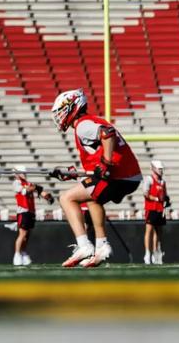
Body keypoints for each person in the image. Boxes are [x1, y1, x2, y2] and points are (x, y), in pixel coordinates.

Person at [49, 89, 142, 268]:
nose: (59, 116)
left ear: (73, 107)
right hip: (130, 176)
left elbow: (107, 133)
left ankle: (84, 245)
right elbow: (95, 164)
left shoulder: (83, 125)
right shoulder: (90, 121)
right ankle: (102, 246)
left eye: (61, 110)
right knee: (92, 197)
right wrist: (72, 173)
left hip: (119, 175)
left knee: (66, 198)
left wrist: (106, 164)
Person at [12, 166, 54, 266]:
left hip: (31, 211)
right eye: (21, 172)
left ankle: (23, 253)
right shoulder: (16, 183)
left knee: (27, 236)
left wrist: (46, 196)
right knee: (22, 234)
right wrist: (35, 188)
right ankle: (17, 255)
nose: (24, 174)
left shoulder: (28, 183)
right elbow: (25, 191)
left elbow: (38, 190)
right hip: (23, 211)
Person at [142, 160, 167, 264]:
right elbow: (145, 193)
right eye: (159, 169)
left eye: (161, 169)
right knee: (149, 230)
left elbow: (165, 195)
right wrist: (157, 199)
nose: (161, 171)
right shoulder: (149, 179)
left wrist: (165, 200)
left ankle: (156, 252)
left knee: (158, 232)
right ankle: (147, 253)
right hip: (151, 208)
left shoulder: (163, 181)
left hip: (160, 209)